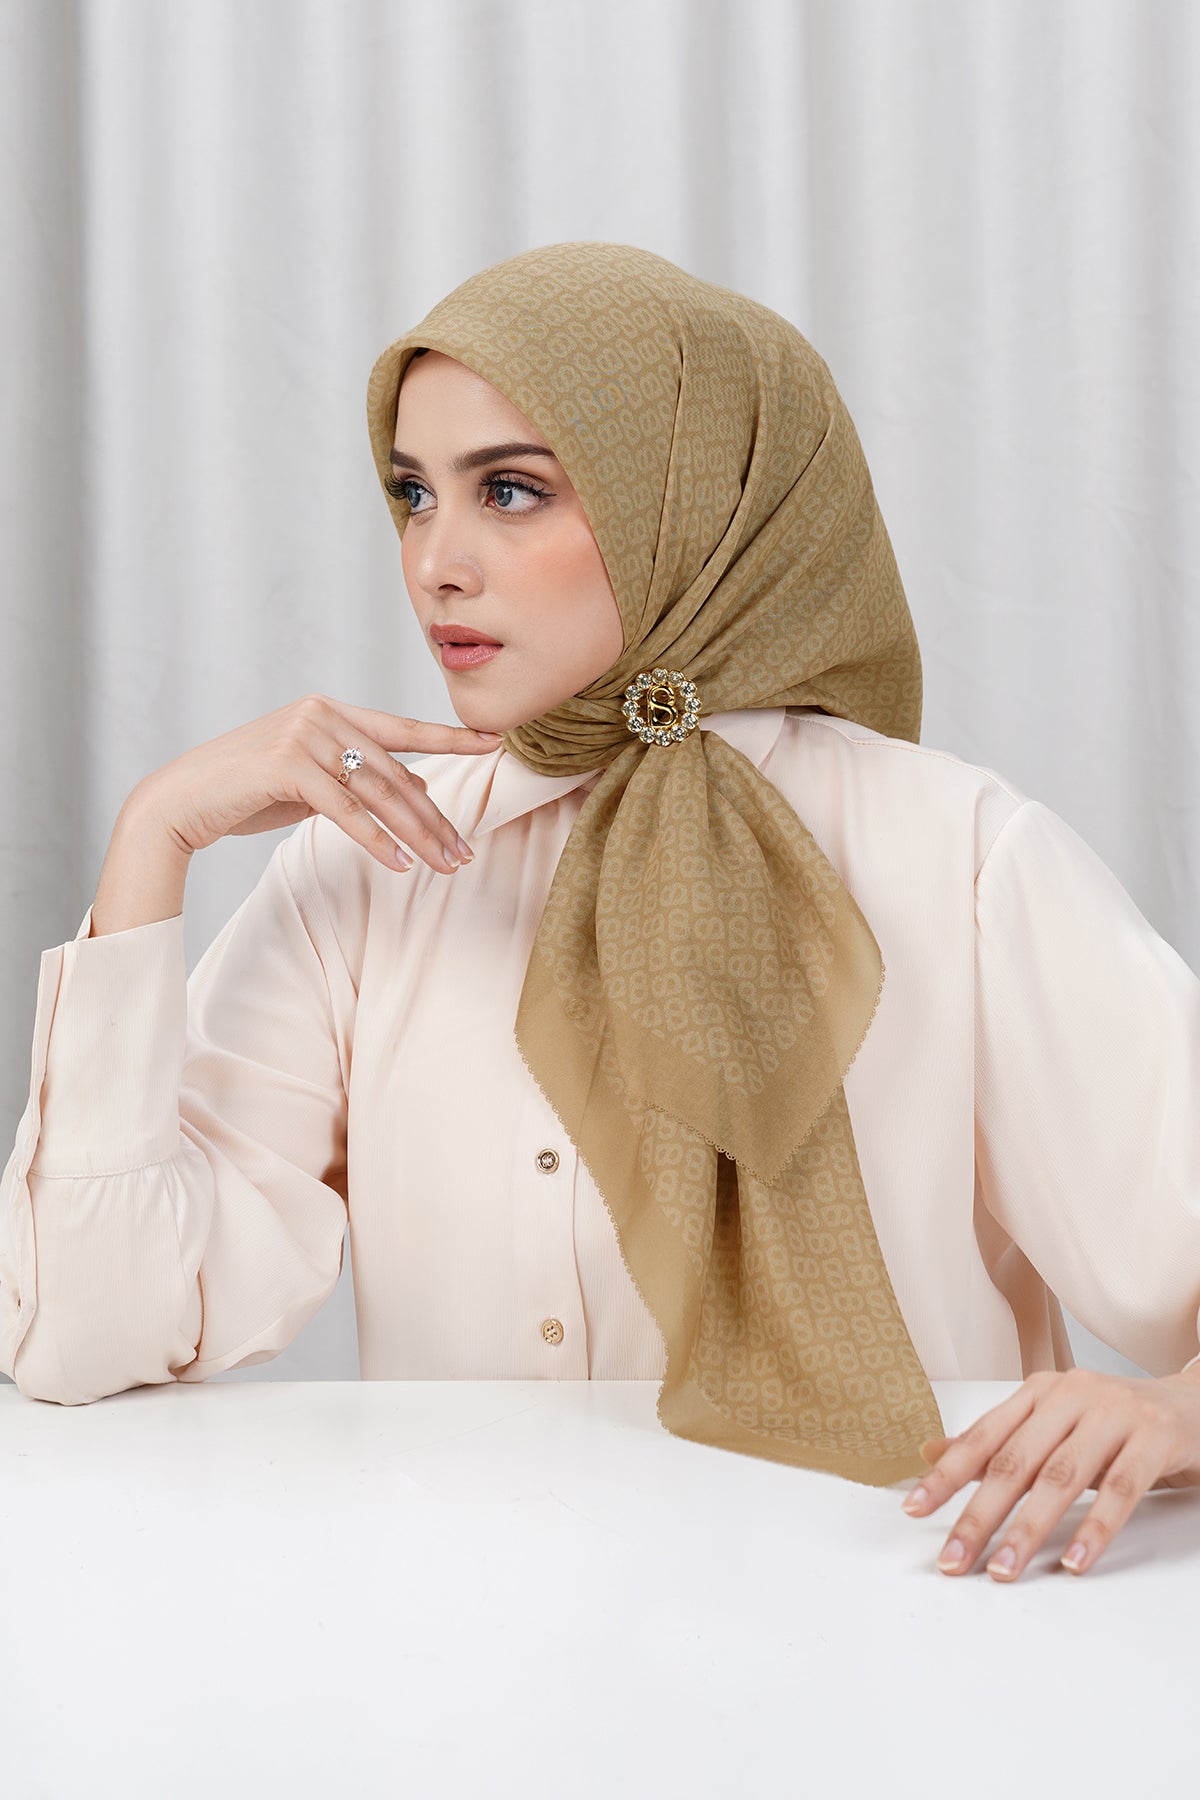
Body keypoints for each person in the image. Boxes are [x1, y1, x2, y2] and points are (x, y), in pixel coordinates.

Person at [4, 243, 1200, 1573]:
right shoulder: (368, 866)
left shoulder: (956, 854)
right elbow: (89, 1334)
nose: (435, 563)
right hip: (473, 1656)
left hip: (889, 1628)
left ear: (692, 503)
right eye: (413, 494)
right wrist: (154, 834)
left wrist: (1172, 1410)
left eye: (511, 491)